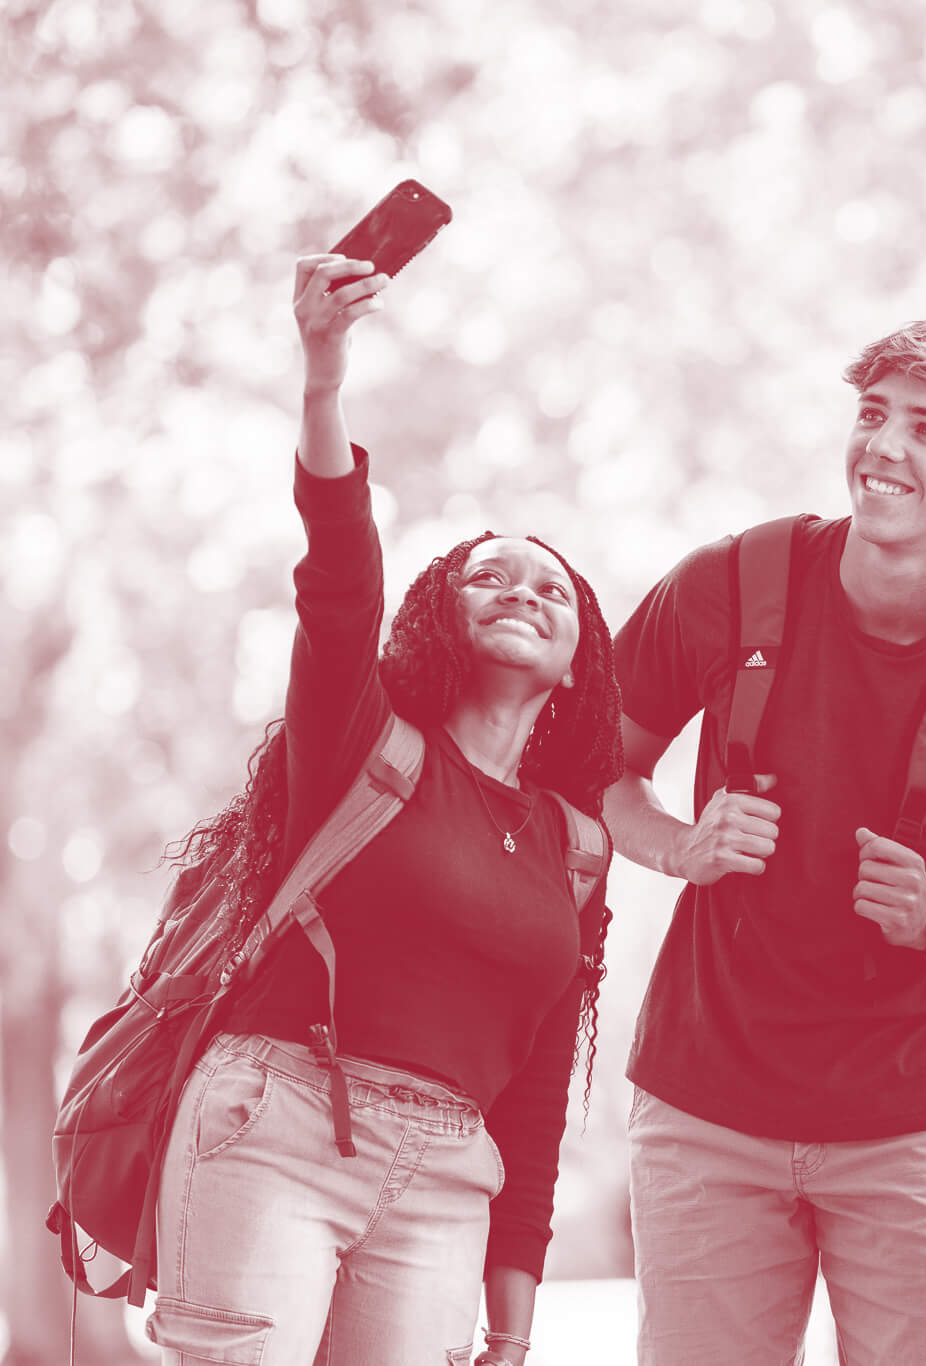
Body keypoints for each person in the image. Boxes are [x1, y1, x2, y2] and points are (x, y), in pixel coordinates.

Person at [604, 321, 926, 1365]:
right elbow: (592, 770)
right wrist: (677, 844)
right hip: (704, 1112)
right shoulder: (730, 584)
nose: (882, 447)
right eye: (872, 415)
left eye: (925, 428)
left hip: (911, 1132)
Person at [146, 254, 624, 1366]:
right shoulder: (361, 742)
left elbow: (541, 1085)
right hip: (280, 1125)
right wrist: (323, 377)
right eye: (490, 577)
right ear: (439, 618)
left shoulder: (580, 847)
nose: (523, 591)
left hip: (450, 1182)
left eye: (552, 589)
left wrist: (515, 1304)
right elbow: (340, 574)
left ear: (578, 658)